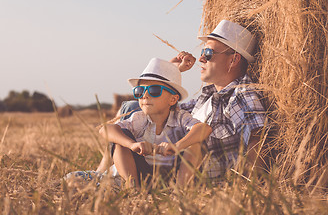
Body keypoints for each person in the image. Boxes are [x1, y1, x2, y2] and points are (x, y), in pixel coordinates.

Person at [97, 19, 267, 183]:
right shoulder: (207, 95)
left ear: (233, 59)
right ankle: (104, 170)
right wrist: (169, 73)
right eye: (202, 53)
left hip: (199, 172)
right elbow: (164, 108)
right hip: (174, 161)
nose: (201, 59)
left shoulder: (241, 93)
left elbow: (257, 137)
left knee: (133, 107)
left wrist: (250, 183)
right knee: (133, 105)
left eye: (208, 53)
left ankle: (109, 173)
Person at [99, 58, 211, 188]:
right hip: (143, 174)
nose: (145, 95)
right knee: (120, 139)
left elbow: (204, 128)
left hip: (174, 175)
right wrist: (132, 145)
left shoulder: (180, 118)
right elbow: (105, 129)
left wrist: (178, 145)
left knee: (196, 143)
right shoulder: (139, 118)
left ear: (173, 99)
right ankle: (133, 188)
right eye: (139, 91)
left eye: (154, 91)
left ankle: (179, 191)